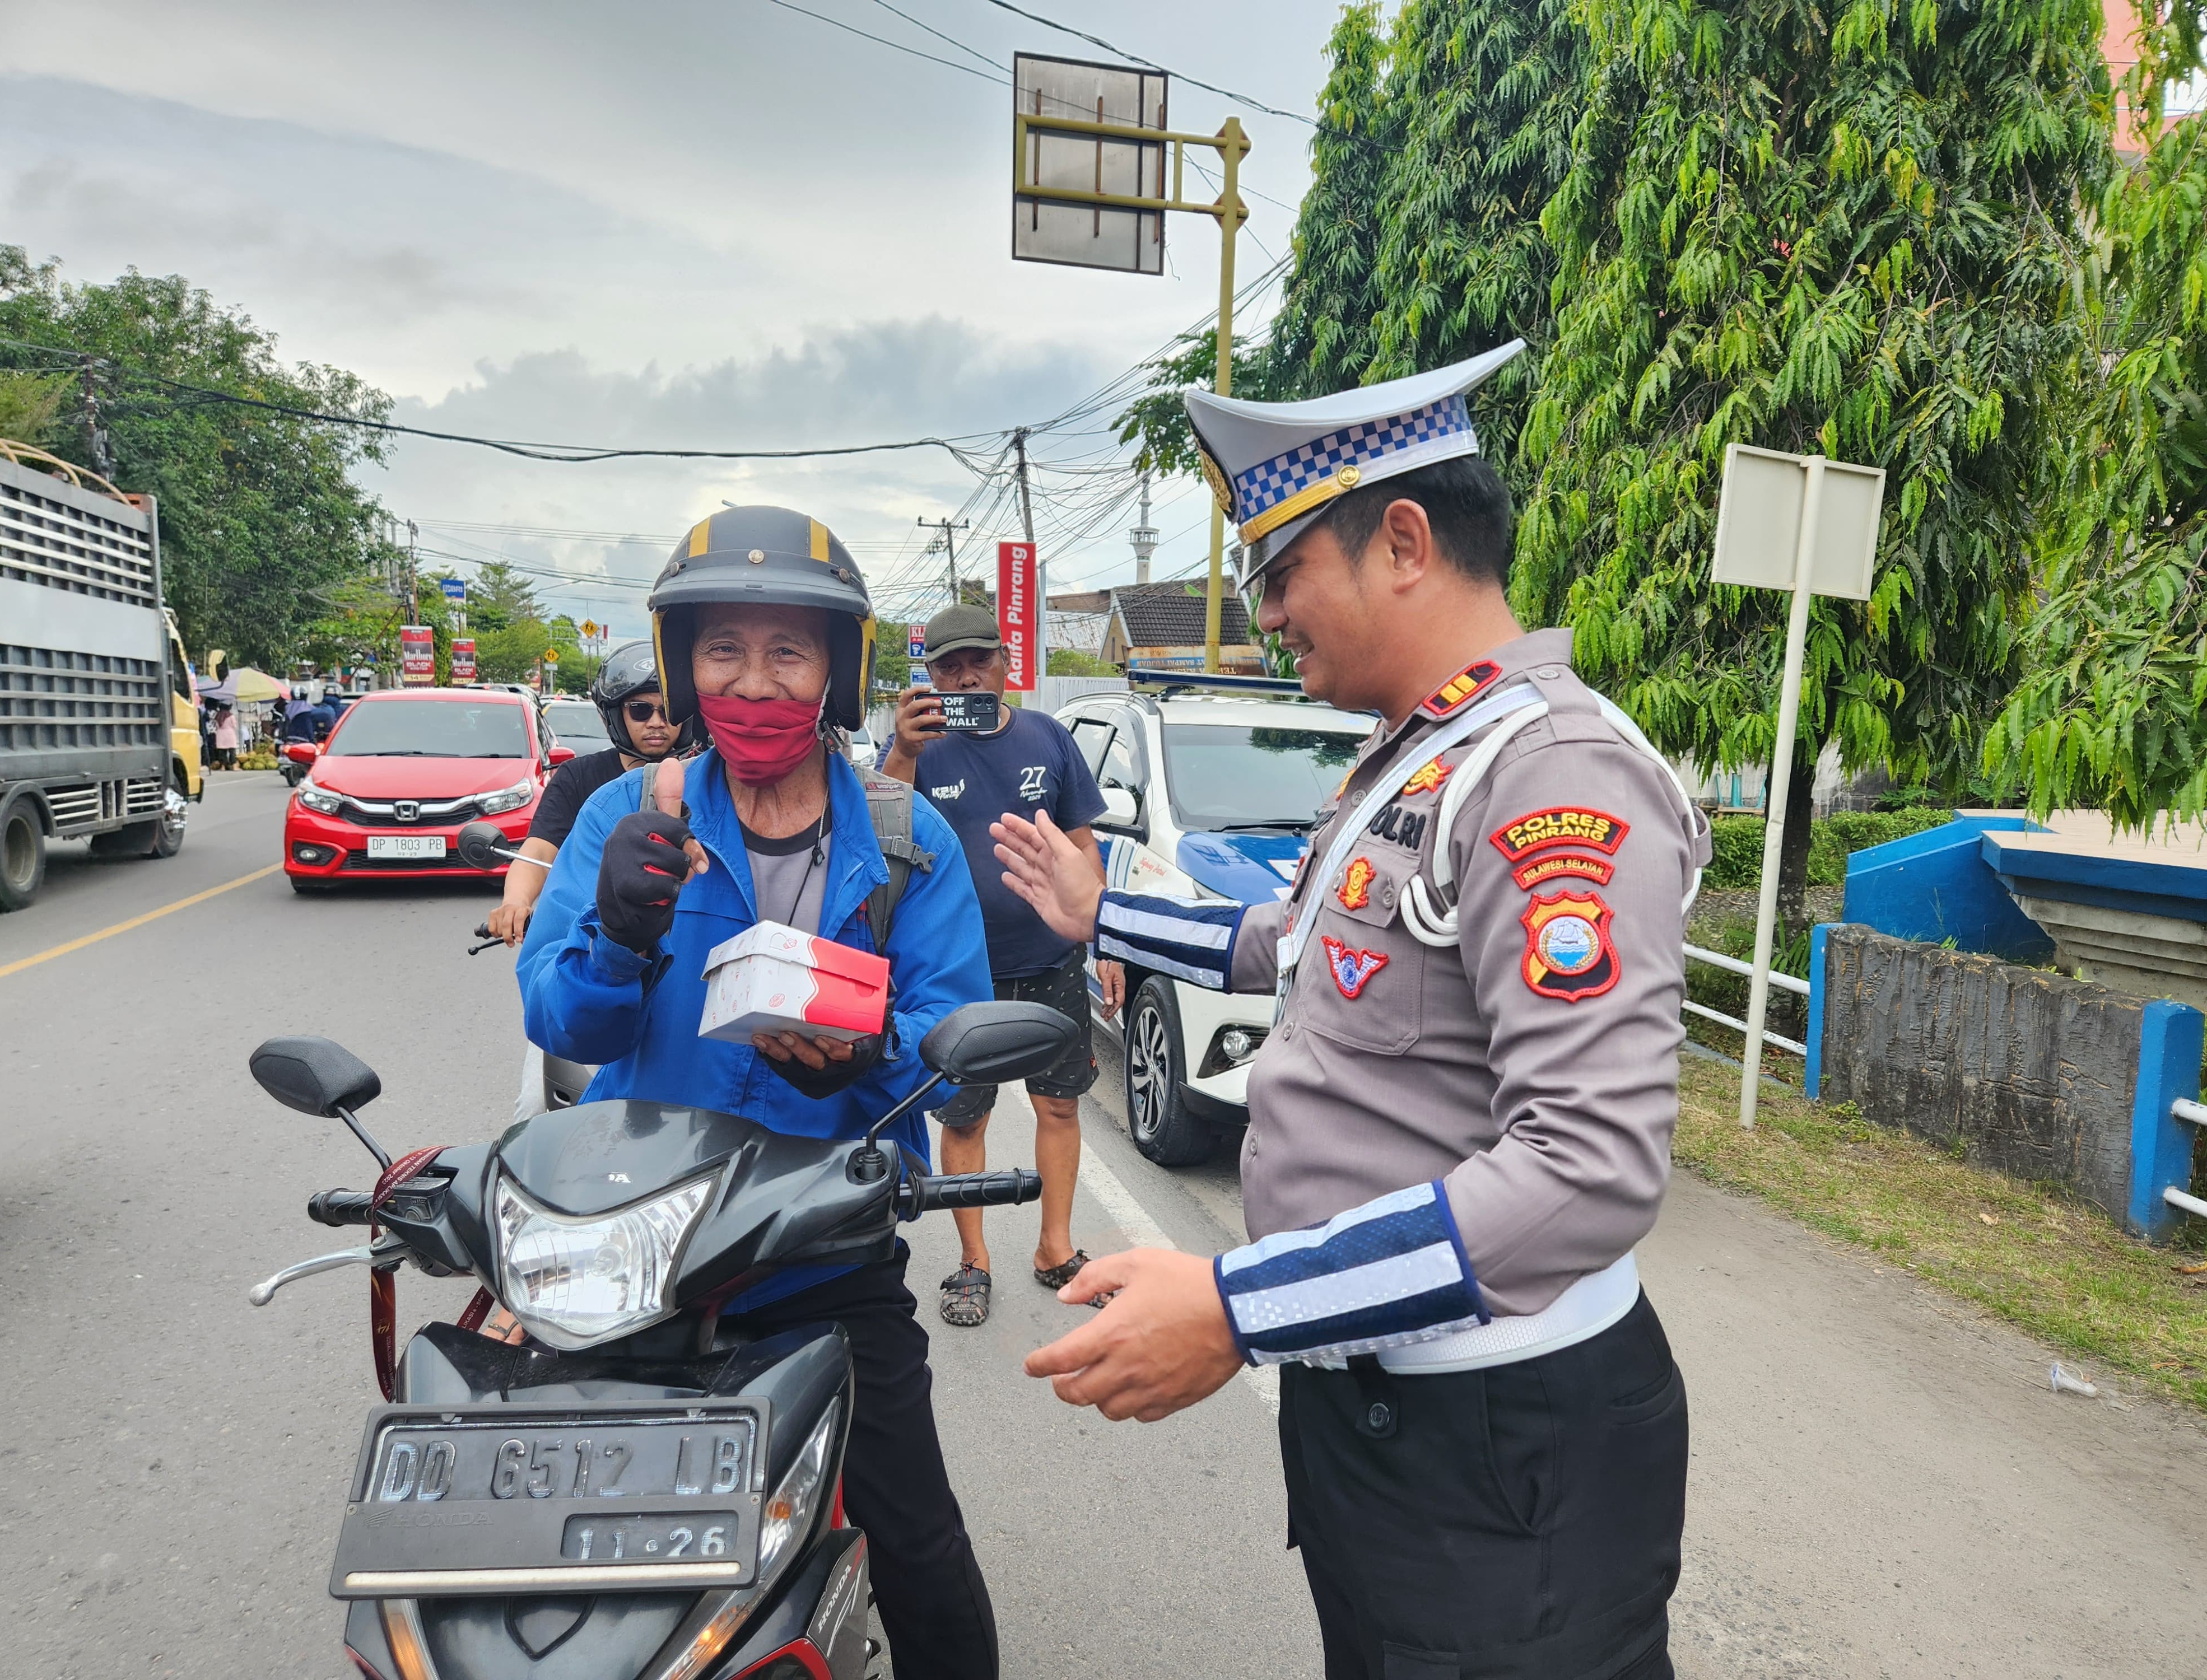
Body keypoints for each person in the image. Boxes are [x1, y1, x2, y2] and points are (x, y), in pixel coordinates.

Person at [991, 347, 1712, 1680]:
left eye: (1281, 573)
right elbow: (1299, 946)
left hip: (1497, 1448)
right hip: (1392, 1414)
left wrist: (1237, 1305)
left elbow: (1589, 1166)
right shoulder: (1422, 755)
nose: (1266, 613)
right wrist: (1105, 918)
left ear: (1403, 542)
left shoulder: (1549, 770)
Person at [517, 505, 1002, 1680]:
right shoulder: (625, 817)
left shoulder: (908, 843)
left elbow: (956, 1041)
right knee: (562, 1547)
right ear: (683, 664)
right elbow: (560, 1019)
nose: (753, 681)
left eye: (788, 651)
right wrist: (617, 932)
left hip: (824, 1254)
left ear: (838, 671)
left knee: (920, 1544)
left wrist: (872, 1048)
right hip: (637, 1241)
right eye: (723, 649)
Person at [881, 603, 1120, 1329]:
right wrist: (903, 751)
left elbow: (1083, 844)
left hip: (1051, 960)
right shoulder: (919, 749)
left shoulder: (1049, 738)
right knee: (965, 1117)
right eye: (948, 668)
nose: (964, 678)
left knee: (1060, 1105)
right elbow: (880, 830)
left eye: (977, 662)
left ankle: (1055, 1249)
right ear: (930, 676)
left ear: (1005, 663)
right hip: (959, 972)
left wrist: (1107, 940)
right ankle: (973, 1260)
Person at [489, 638, 686, 1123]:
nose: (656, 722)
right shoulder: (581, 781)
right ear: (614, 716)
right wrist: (516, 901)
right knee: (537, 1109)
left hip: (678, 974)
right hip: (593, 960)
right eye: (640, 710)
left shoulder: (707, 784)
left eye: (668, 710)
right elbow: (539, 850)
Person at [211, 703, 238, 770]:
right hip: (230, 734)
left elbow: (216, 725)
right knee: (232, 751)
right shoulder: (231, 716)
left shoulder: (218, 716)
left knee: (222, 751)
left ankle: (223, 767)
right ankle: (234, 766)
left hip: (220, 734)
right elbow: (234, 726)